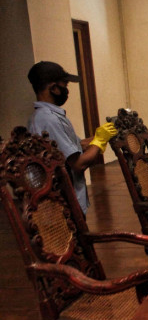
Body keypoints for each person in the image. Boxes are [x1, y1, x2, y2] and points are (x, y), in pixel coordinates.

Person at [27, 61, 117, 215]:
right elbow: (78, 164)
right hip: (62, 204)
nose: (67, 90)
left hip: (65, 201)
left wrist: (100, 135)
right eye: (65, 85)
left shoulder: (45, 116)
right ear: (54, 88)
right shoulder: (49, 119)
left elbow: (75, 145)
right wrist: (99, 141)